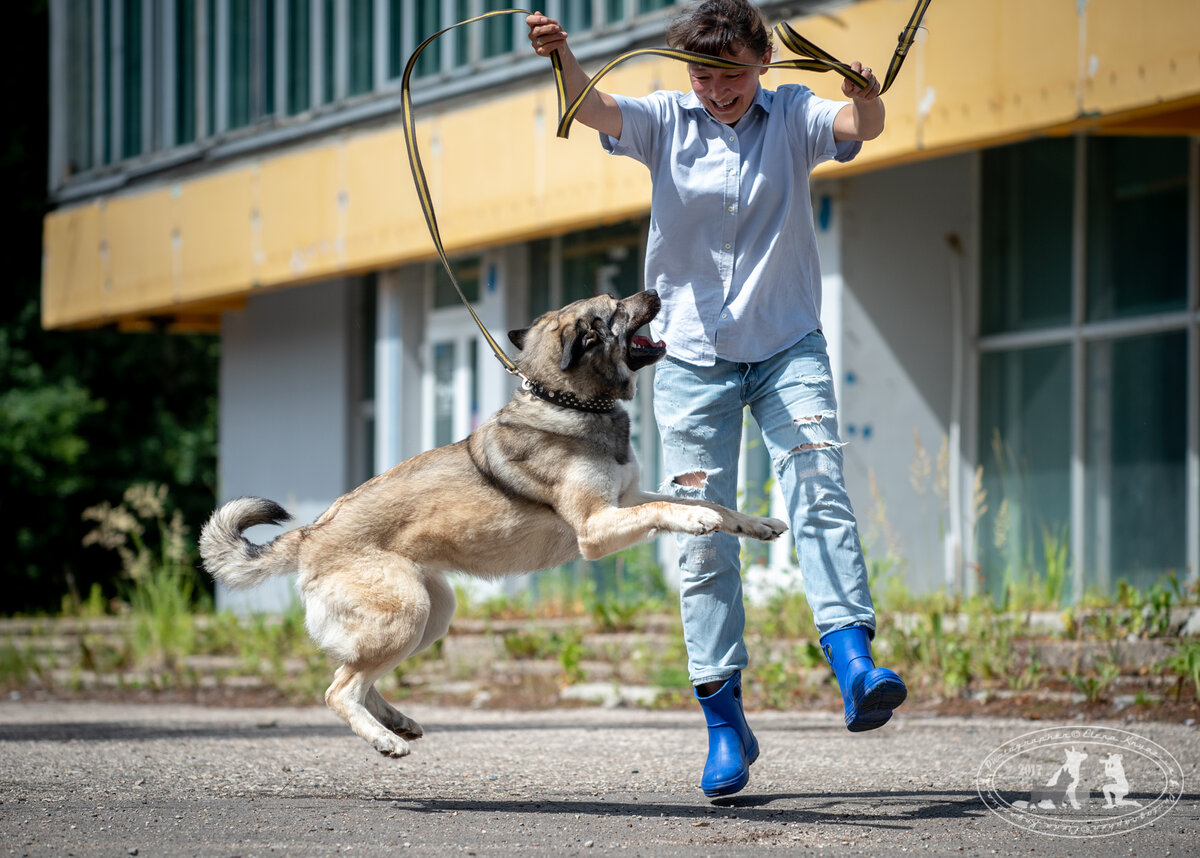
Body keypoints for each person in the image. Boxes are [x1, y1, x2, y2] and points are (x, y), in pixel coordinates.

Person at [527, 0, 906, 798]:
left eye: (730, 73)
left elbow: (860, 126)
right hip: (694, 359)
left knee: (817, 484)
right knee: (702, 537)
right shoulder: (666, 119)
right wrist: (561, 53)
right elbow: (591, 106)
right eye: (702, 75)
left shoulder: (795, 114)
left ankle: (854, 661)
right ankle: (724, 722)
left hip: (786, 347)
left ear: (763, 61)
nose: (715, 89)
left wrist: (867, 94)